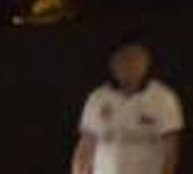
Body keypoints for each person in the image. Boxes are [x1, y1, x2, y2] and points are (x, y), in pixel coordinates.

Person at [71, 36, 180, 174]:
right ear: (113, 64)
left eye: (136, 59)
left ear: (147, 62)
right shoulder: (97, 98)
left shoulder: (163, 97)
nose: (130, 65)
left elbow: (171, 149)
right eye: (124, 59)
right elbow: (85, 147)